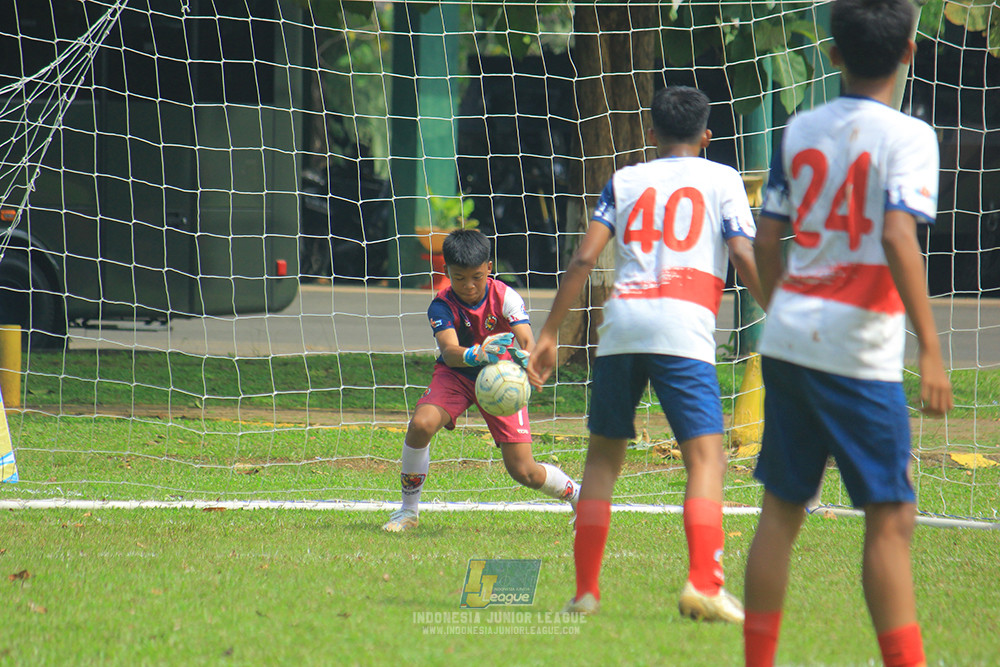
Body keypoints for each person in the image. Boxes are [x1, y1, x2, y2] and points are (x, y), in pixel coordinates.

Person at [742, 0, 954, 664]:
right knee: (890, 519)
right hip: (859, 348)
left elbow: (765, 237)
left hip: (788, 336)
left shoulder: (800, 128)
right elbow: (897, 233)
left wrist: (781, 308)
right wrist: (932, 346)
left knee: (781, 510)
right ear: (909, 52)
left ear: (831, 54)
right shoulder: (910, 135)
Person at [527, 86, 763, 622]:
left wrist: (548, 332)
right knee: (705, 459)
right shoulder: (723, 178)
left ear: (650, 135)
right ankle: (703, 583)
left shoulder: (626, 180)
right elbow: (744, 255)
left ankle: (585, 593)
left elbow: (585, 255)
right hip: (683, 328)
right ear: (707, 136)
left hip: (622, 328)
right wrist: (782, 311)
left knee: (602, 464)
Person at [382, 228, 579, 532]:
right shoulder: (441, 305)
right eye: (459, 278)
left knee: (523, 471)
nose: (469, 286)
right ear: (446, 271)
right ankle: (408, 511)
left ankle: (577, 495)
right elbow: (449, 352)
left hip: (502, 376)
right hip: (457, 373)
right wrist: (476, 354)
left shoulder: (505, 295)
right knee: (421, 424)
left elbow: (526, 338)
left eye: (476, 276)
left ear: (489, 268)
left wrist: (526, 361)